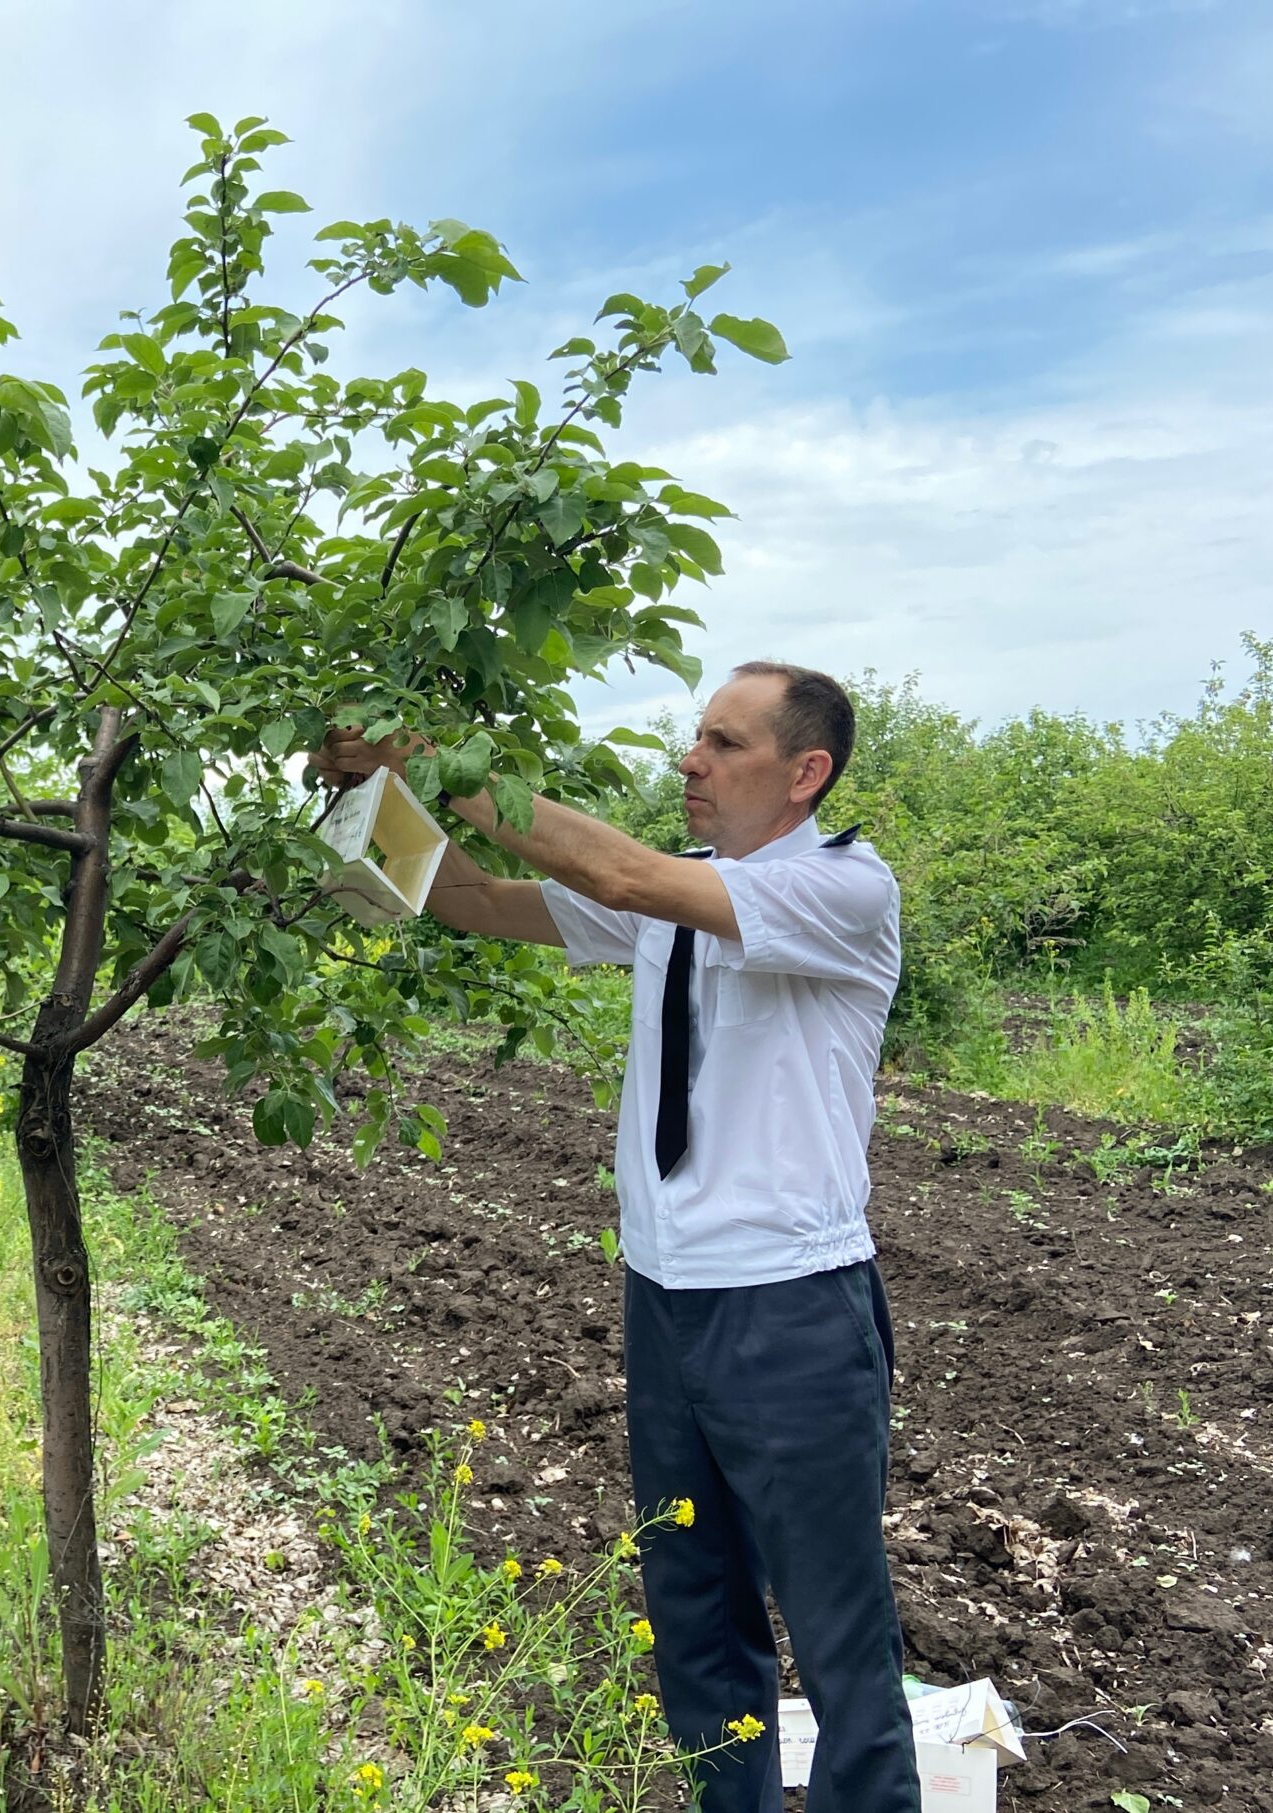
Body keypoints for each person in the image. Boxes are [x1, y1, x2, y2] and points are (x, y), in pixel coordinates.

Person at [314, 661, 916, 1813]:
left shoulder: (843, 890)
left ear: (806, 773)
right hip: (665, 1301)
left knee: (840, 1642)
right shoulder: (673, 890)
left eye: (723, 744)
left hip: (789, 1310)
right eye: (694, 737)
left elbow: (616, 872)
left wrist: (422, 751)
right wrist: (362, 804)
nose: (689, 761)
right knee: (694, 1617)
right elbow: (480, 901)